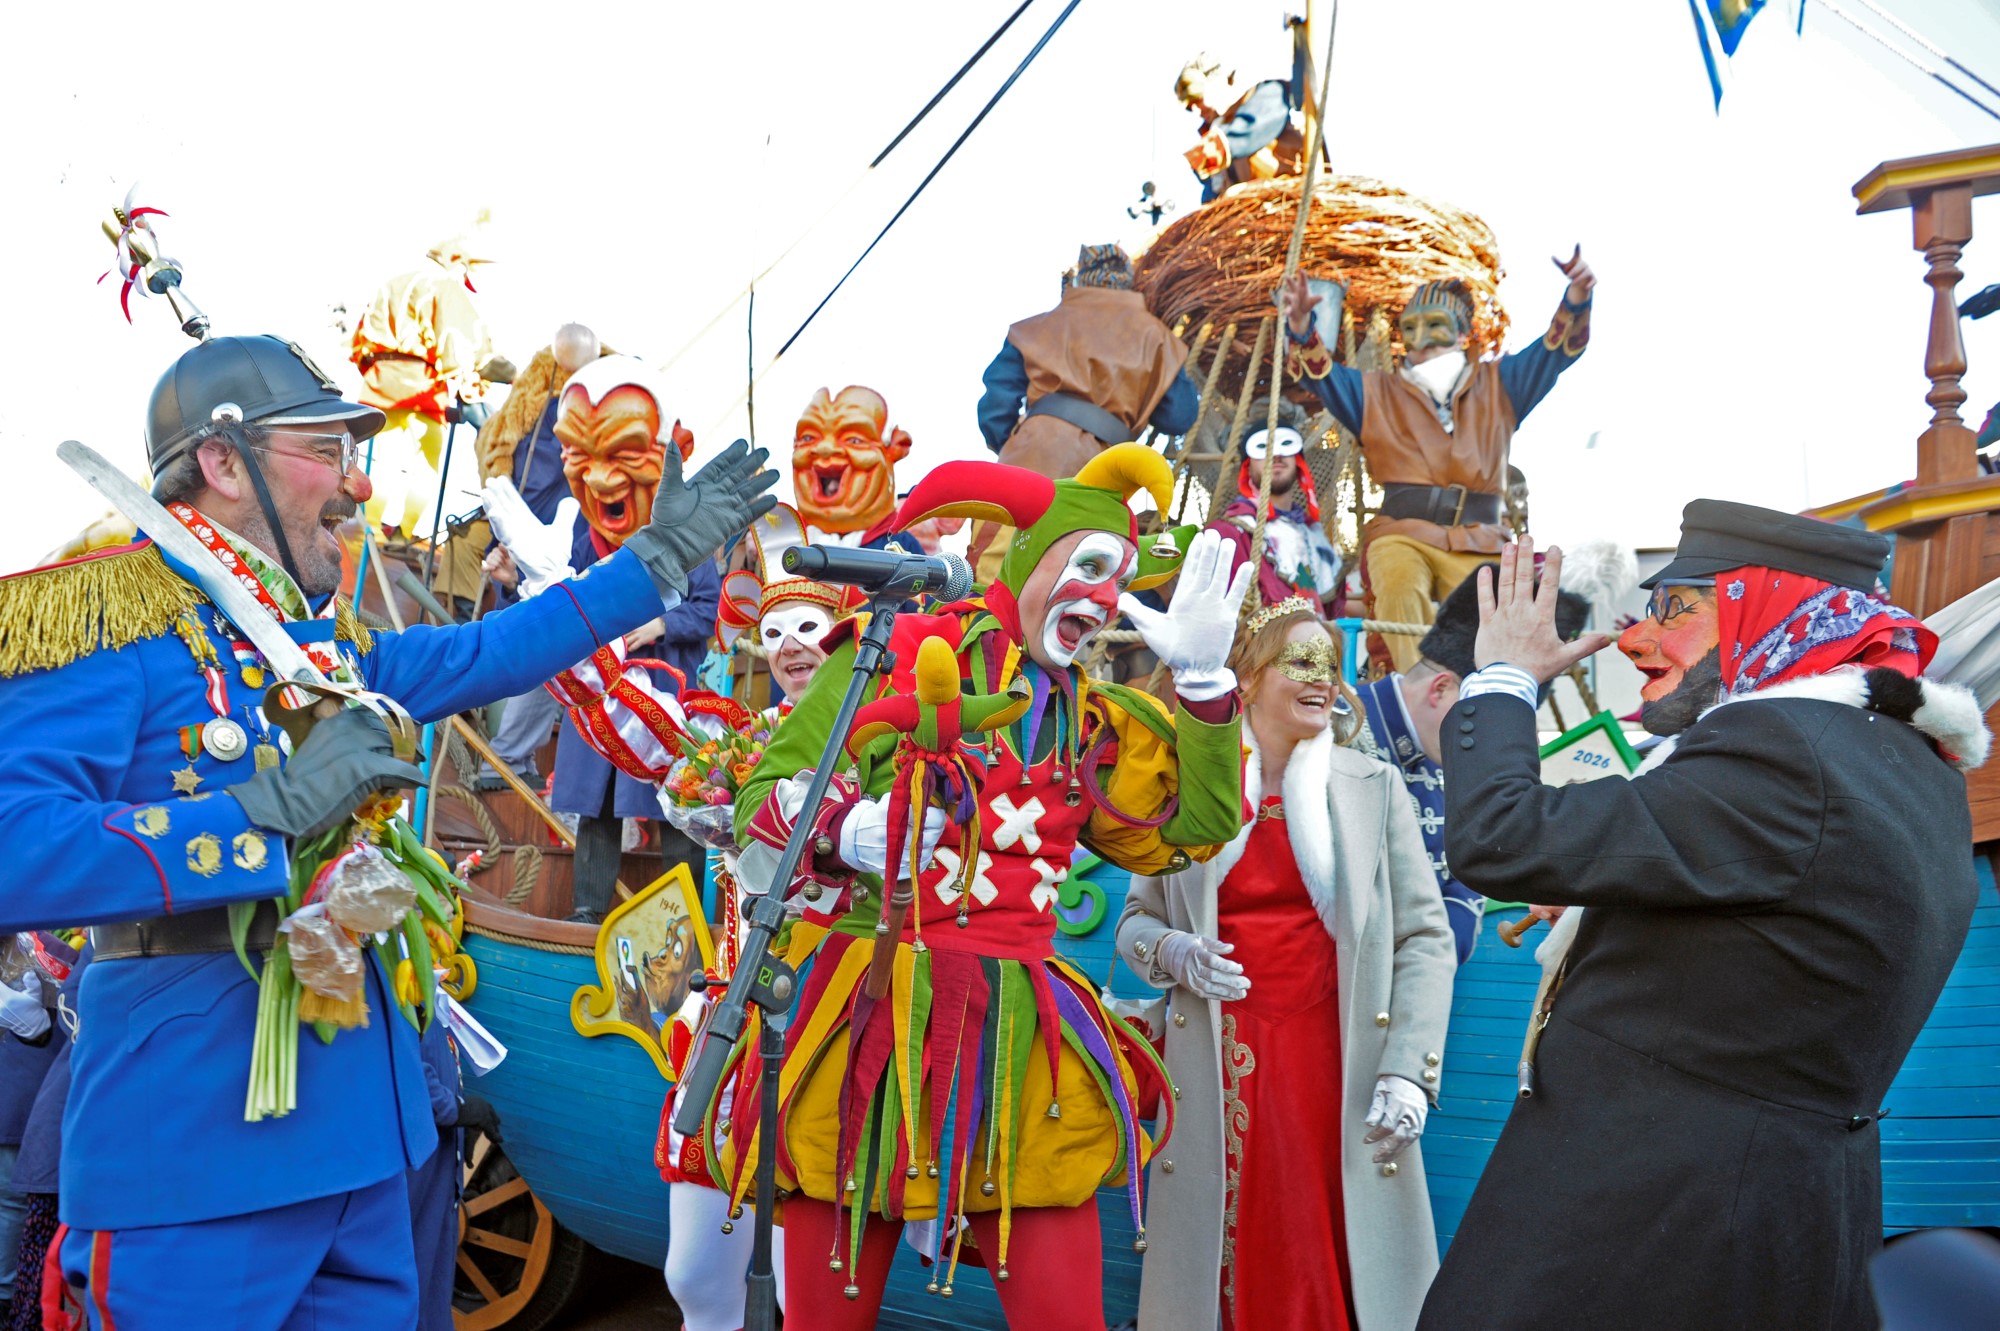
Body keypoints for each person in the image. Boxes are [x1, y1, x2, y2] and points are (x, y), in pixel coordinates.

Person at [0, 332, 773, 1330]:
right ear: (222, 461)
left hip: (369, 1135)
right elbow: (18, 847)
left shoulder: (314, 646)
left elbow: (493, 647)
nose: (358, 484)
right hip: (196, 1145)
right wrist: (258, 814)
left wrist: (653, 563)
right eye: (325, 449)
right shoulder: (98, 615)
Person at [712, 445, 1250, 1329]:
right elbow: (761, 798)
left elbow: (1186, 833)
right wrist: (847, 830)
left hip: (1019, 1035)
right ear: (1032, 558)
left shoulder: (1089, 717)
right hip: (872, 1016)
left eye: (1115, 580)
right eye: (1086, 568)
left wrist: (1203, 687)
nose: (1104, 598)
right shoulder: (898, 653)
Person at [1417, 508, 1989, 1331]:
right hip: (1765, 1220)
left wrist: (1505, 676)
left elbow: (1501, 836)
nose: (1636, 639)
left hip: (1653, 1227)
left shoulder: (1780, 750)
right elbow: (1781, 931)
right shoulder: (1904, 766)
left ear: (1772, 610)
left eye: (1675, 609)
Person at [1118, 597, 1454, 1331]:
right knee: (1231, 1246)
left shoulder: (1373, 786)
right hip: (1213, 1064)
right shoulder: (1184, 788)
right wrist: (1171, 950)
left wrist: (1408, 1068)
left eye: (1330, 665)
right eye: (1301, 660)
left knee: (1327, 1249)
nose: (1322, 679)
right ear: (1251, 673)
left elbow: (1427, 937)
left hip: (1337, 1061)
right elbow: (1134, 921)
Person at [1279, 252, 1593, 669]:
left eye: (1435, 326)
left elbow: (1556, 350)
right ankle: (1418, 687)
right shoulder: (1373, 392)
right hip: (1403, 532)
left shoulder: (1501, 384)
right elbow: (1317, 373)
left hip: (1480, 540)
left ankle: (1491, 696)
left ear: (1463, 333)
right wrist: (1301, 328)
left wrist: (1576, 297)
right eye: (1411, 328)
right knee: (1396, 576)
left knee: (1500, 613)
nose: (1421, 339)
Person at [497, 353, 722, 924]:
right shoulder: (579, 530)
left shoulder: (686, 536)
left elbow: (706, 609)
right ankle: (587, 912)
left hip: (661, 694)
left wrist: (657, 625)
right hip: (601, 693)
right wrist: (514, 579)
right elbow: (555, 595)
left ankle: (683, 919)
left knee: (679, 806)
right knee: (596, 808)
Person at [1352, 569, 1588, 963]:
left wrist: (1433, 955)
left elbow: (1464, 879)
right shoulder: (1339, 725)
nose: (1492, 734)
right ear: (1441, 688)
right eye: (1483, 710)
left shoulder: (1450, 747)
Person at [970, 244, 1201, 581]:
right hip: (1102, 472)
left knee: (993, 574)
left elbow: (996, 404)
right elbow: (1179, 416)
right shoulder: (1158, 339)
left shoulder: (1038, 326)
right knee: (1076, 575)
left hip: (1029, 458)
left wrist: (1010, 443)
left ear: (1082, 279)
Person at [475, 322, 610, 789]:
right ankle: (508, 754)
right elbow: (532, 480)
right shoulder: (562, 412)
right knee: (553, 643)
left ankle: (515, 754)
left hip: (553, 542)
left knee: (552, 643)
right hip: (551, 547)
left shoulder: (546, 409)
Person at [349, 232, 505, 542]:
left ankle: (370, 529)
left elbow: (360, 341)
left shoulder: (392, 283)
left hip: (381, 380)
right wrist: (488, 371)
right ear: (456, 262)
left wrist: (379, 369)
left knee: (385, 460)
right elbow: (460, 339)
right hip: (421, 383)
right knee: (428, 464)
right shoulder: (444, 285)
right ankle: (402, 533)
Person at [407, 1005, 501, 1331]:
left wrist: (460, 1120)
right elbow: (403, 1062)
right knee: (415, 1281)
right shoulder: (392, 969)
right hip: (416, 1154)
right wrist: (454, 1109)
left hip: (439, 1148)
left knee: (432, 1283)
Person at [1205, 396, 1342, 612]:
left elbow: (1336, 611)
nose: (1276, 455)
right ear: (1247, 466)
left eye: (1286, 445)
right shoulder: (1229, 535)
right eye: (1263, 448)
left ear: (1299, 463)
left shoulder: (1314, 536)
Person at [1174, 47, 1306, 203]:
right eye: (1190, 107)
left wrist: (1194, 160)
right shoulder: (1220, 131)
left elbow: (1244, 136)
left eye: (1197, 99)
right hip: (1256, 216)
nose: (1196, 111)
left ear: (1216, 82)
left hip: (1292, 202)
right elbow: (1211, 195)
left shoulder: (1269, 94)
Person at [790, 386, 913, 549]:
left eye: (854, 440)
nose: (825, 448)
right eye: (808, 437)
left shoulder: (900, 547)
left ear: (897, 447)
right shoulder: (779, 542)